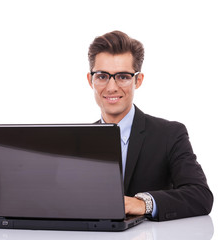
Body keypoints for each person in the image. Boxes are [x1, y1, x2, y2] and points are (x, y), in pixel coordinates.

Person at [87, 30, 213, 221]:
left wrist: (142, 203)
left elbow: (200, 196)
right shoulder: (78, 140)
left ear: (138, 80)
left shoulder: (170, 135)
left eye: (123, 76)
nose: (111, 87)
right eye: (102, 76)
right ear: (91, 80)